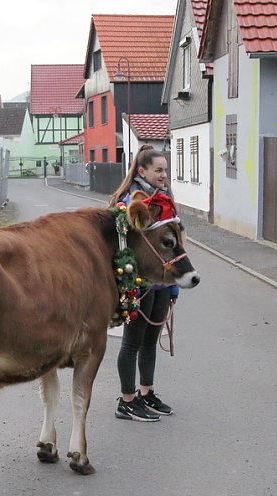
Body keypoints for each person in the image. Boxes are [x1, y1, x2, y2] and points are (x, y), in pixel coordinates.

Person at [108, 145, 180, 421]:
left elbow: (173, 246)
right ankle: (126, 401)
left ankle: (146, 393)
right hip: (138, 284)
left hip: (161, 283)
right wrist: (128, 286)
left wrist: (173, 284)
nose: (164, 175)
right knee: (132, 343)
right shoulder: (128, 203)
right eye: (158, 170)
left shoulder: (165, 199)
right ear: (142, 171)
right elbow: (121, 246)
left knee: (151, 340)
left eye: (165, 170)